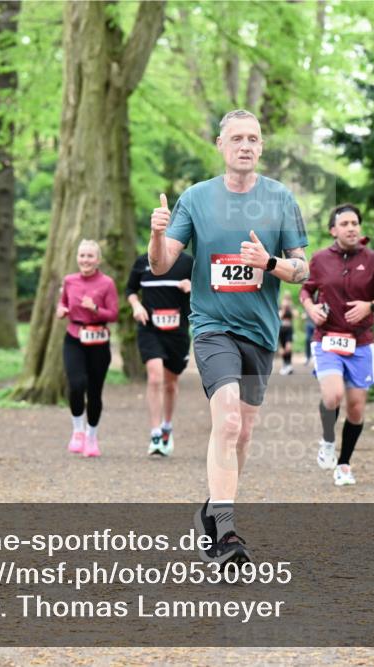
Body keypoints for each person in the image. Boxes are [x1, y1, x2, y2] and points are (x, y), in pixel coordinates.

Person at [149, 109, 309, 567]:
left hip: (260, 332)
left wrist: (269, 263)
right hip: (212, 326)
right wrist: (156, 235)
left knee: (244, 432)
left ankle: (209, 512)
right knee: (229, 421)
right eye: (236, 138)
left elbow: (302, 269)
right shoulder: (196, 198)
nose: (245, 145)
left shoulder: (280, 198)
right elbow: (161, 264)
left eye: (253, 139)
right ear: (220, 145)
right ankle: (226, 533)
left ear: (261, 147)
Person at [300, 204, 374, 486]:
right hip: (327, 339)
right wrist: (311, 309)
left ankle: (344, 464)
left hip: (360, 343)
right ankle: (327, 440)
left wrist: (371, 306)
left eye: (355, 223)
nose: (351, 228)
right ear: (333, 230)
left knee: (356, 408)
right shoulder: (320, 259)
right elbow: (306, 290)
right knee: (333, 395)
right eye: (344, 224)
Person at [125, 251, 194, 457]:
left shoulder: (188, 262)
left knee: (170, 384)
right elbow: (130, 289)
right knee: (155, 377)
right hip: (150, 328)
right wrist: (136, 305)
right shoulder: (143, 261)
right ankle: (155, 433)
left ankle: (166, 427)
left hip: (177, 332)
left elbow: (208, 291)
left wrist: (193, 287)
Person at [56, 239, 119, 458]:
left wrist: (95, 309)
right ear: (77, 258)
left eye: (90, 256)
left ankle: (92, 436)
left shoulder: (107, 283)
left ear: (98, 260)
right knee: (76, 384)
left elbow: (114, 314)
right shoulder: (69, 280)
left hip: (98, 341)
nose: (85, 260)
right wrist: (61, 310)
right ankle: (77, 431)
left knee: (94, 391)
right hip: (74, 337)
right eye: (82, 256)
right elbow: (63, 302)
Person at [278, 291, 295, 375]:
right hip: (282, 329)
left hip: (289, 329)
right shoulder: (281, 307)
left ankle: (289, 364)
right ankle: (285, 364)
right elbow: (279, 316)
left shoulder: (291, 307)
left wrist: (290, 308)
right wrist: (284, 308)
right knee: (283, 348)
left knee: (289, 347)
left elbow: (295, 315)